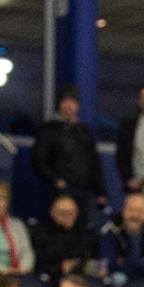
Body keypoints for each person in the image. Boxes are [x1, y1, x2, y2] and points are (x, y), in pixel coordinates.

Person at [32, 87, 107, 225]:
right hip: (62, 190)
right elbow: (38, 159)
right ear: (60, 104)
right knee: (60, 228)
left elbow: (94, 163)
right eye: (65, 101)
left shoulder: (85, 131)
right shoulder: (49, 129)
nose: (69, 106)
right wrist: (55, 180)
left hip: (85, 191)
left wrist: (101, 192)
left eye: (72, 102)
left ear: (78, 106)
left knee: (84, 228)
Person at [98, 192, 144, 287]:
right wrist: (143, 265)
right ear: (123, 211)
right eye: (131, 210)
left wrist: (128, 262)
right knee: (118, 279)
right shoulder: (109, 229)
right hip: (121, 274)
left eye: (140, 211)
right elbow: (109, 264)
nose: (135, 215)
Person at [34, 194, 96, 280]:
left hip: (83, 278)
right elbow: (38, 265)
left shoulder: (86, 233)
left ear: (77, 213)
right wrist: (60, 268)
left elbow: (92, 259)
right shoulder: (42, 234)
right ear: (53, 213)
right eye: (62, 213)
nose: (67, 216)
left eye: (71, 213)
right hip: (53, 280)